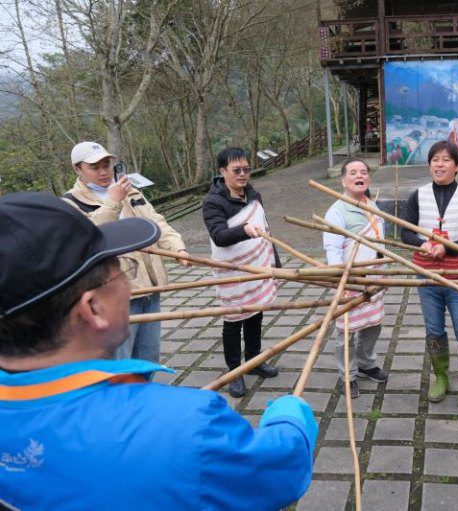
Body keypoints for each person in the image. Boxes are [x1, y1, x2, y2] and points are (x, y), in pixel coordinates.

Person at [0, 193, 317, 511]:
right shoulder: (188, 428)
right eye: (122, 269)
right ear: (93, 309)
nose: (130, 286)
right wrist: (289, 414)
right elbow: (279, 471)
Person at [64, 141, 190, 363]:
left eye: (106, 165)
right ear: (77, 169)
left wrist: (177, 247)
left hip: (151, 287)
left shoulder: (130, 191)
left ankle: (144, 386)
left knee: (148, 357)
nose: (103, 172)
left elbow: (156, 222)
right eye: (94, 167)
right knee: (121, 360)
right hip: (114, 294)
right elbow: (88, 237)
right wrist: (113, 202)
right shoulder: (70, 203)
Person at [401, 140, 458, 409]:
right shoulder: (417, 195)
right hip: (426, 276)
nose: (439, 165)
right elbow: (405, 232)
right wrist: (422, 244)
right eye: (435, 160)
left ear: (457, 166)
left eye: (445, 160)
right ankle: (441, 377)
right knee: (434, 329)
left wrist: (448, 248)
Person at [202, 147, 280, 399]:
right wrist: (244, 230)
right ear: (222, 171)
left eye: (246, 169)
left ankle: (254, 361)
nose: (243, 174)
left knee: (256, 314)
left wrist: (274, 262)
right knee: (234, 321)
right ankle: (234, 371)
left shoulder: (253, 195)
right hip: (232, 271)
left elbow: (265, 230)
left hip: (257, 266)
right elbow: (219, 236)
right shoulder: (213, 202)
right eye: (236, 170)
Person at [322, 158, 389, 398]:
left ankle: (366, 363)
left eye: (363, 172)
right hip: (350, 281)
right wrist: (340, 278)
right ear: (343, 181)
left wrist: (383, 272)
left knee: (373, 324)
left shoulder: (372, 205)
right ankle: (347, 375)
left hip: (374, 279)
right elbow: (332, 249)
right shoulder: (337, 211)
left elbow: (380, 241)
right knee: (346, 332)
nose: (359, 175)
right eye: (353, 172)